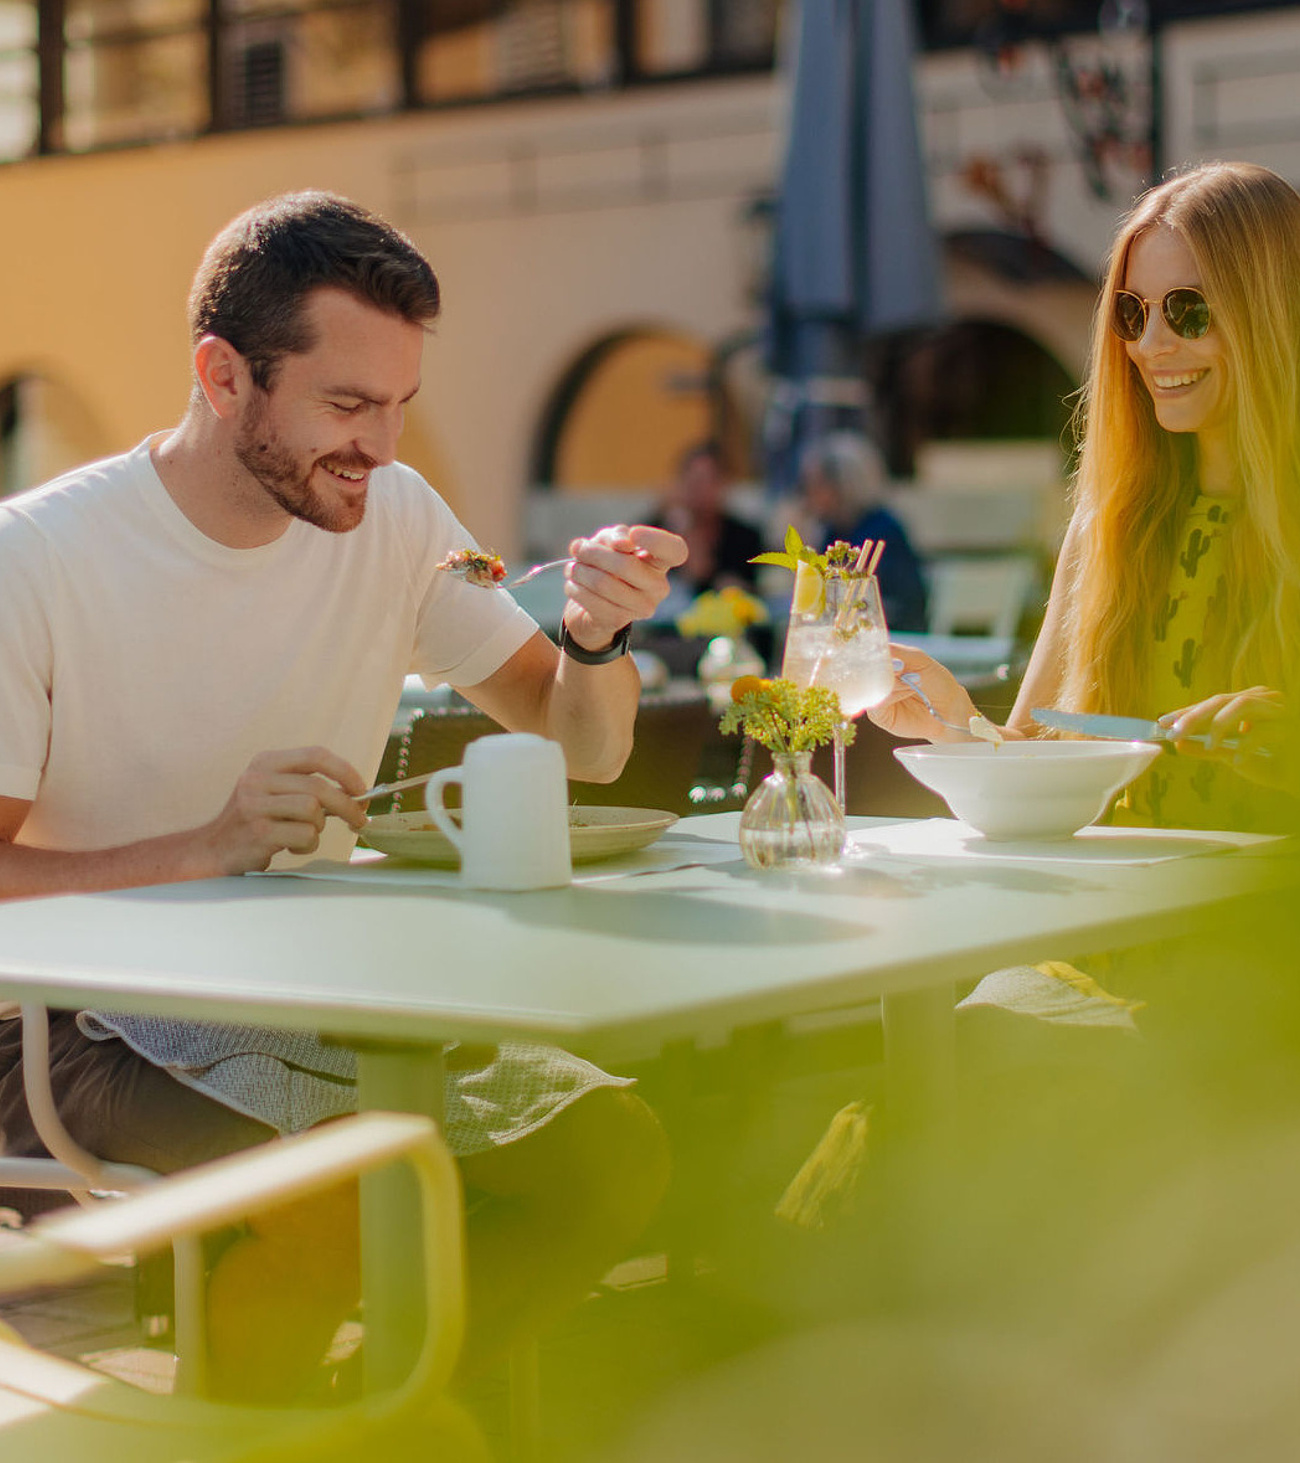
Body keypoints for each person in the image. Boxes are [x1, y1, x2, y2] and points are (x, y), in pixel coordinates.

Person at [0, 190, 684, 1401]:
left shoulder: (394, 517)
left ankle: (386, 1419)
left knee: (610, 1157)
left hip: (316, 993)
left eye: (401, 405)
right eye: (347, 403)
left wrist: (590, 634)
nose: (382, 442)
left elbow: (582, 749)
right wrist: (202, 846)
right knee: (336, 1201)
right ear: (223, 375)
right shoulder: (37, 557)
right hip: (62, 1021)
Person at [876, 161, 1300, 833]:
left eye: (1189, 310)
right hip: (1117, 924)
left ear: (1272, 312)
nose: (1151, 345)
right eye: (1133, 314)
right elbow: (1038, 758)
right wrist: (953, 721)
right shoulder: (1108, 526)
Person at [794, 431, 929, 632]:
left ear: (839, 487)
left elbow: (901, 601)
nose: (808, 496)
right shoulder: (833, 530)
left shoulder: (883, 530)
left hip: (887, 634)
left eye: (815, 486)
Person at [653, 439, 763, 595]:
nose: (699, 490)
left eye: (708, 481)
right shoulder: (656, 531)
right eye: (694, 481)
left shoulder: (745, 537)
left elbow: (757, 591)